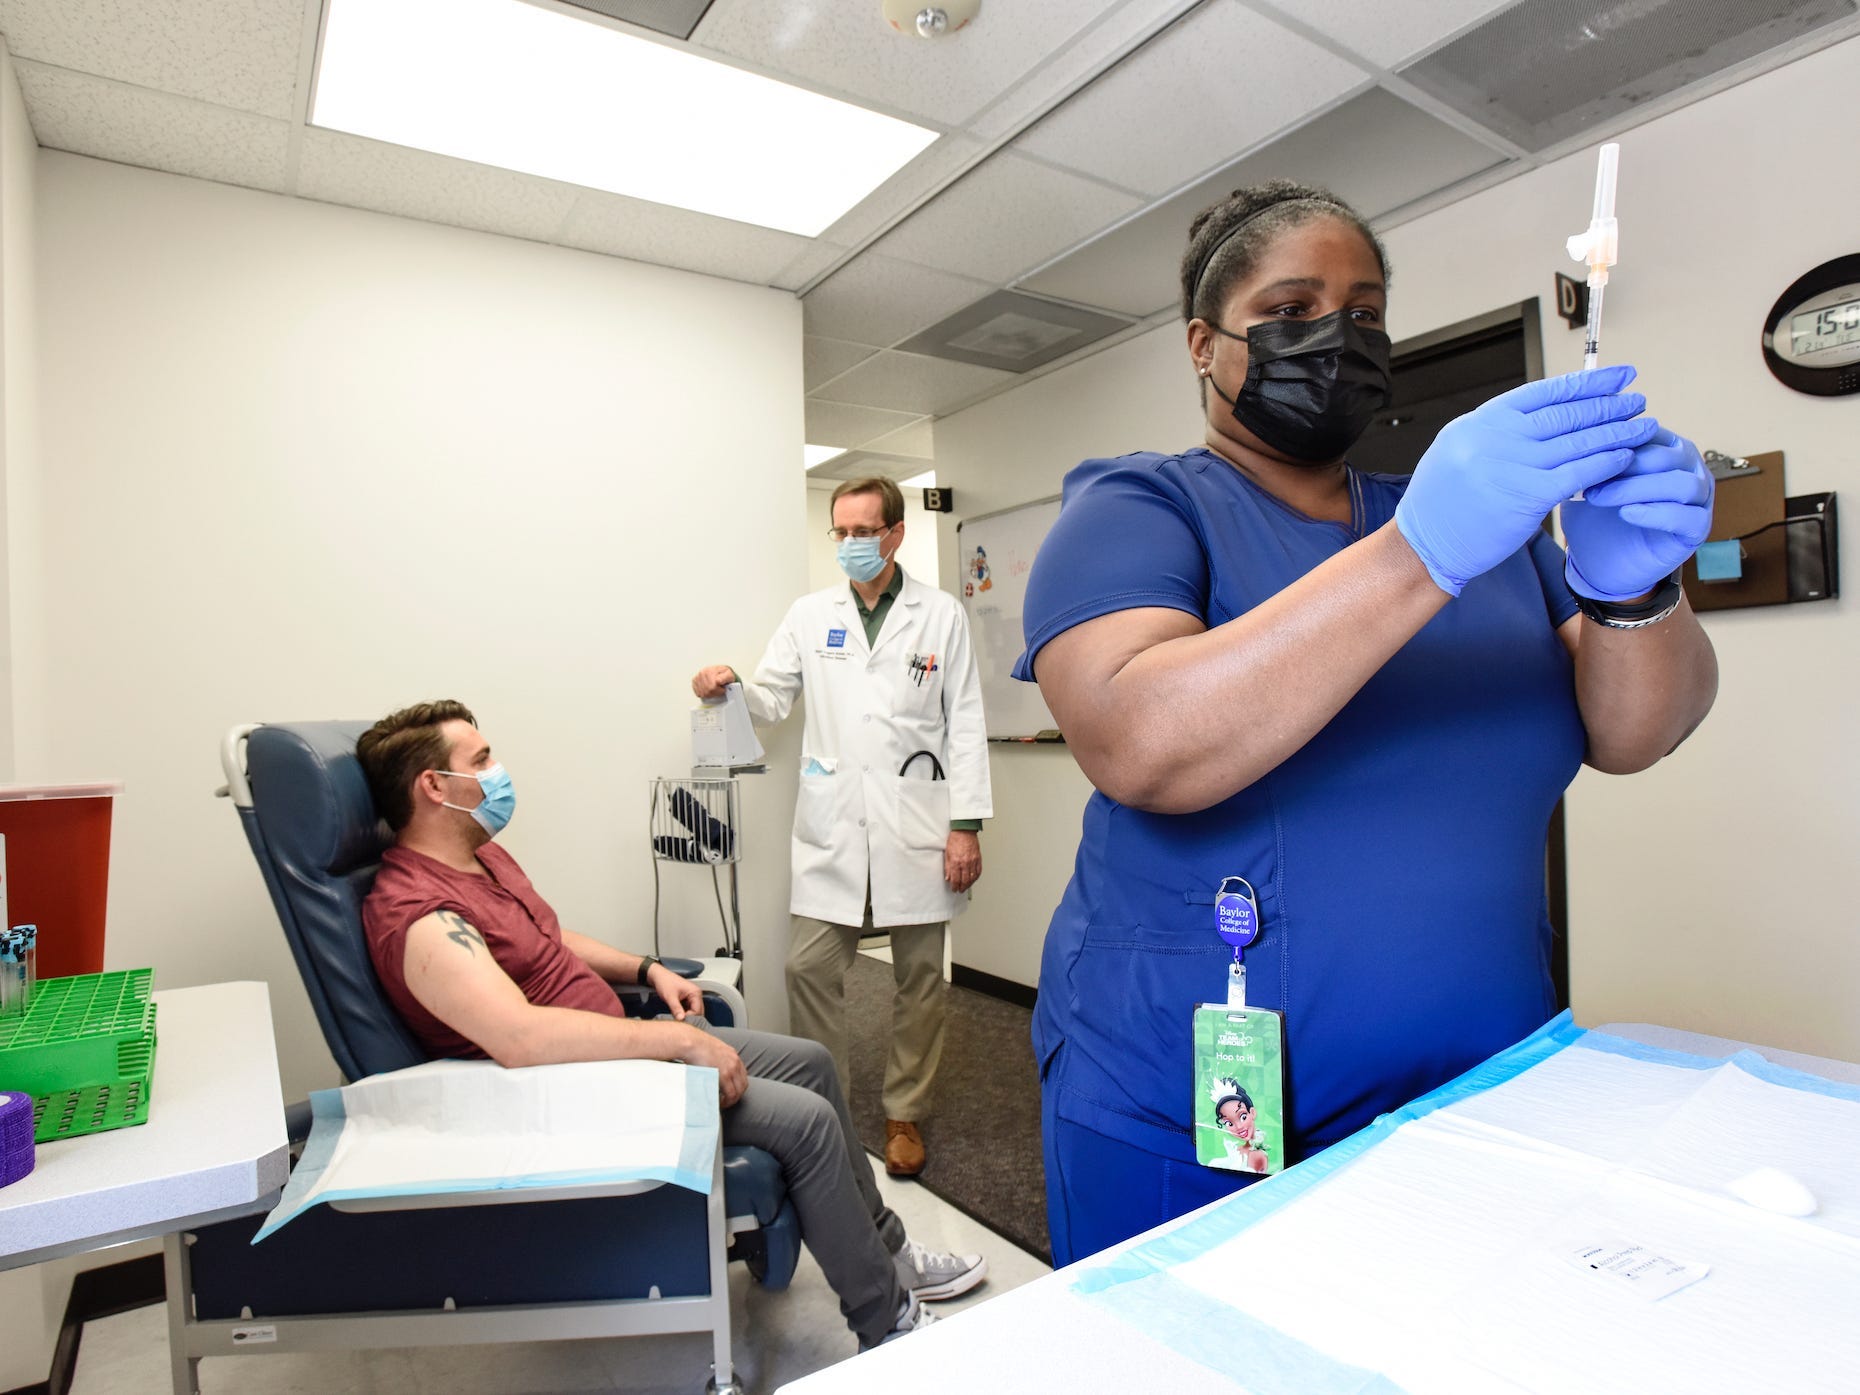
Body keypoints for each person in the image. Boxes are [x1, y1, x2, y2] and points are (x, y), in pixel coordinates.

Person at [1014, 180, 1718, 1266]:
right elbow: (1136, 739)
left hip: (1484, 1086)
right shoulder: (1141, 507)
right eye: (1292, 309)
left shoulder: (1493, 537)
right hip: (1198, 1112)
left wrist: (1637, 589)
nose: (1337, 337)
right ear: (1205, 344)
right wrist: (1419, 555)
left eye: (1367, 312)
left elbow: (1636, 732)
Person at [353, 701, 988, 1351]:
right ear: (432, 785)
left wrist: (647, 967)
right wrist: (680, 1039)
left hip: (612, 1052)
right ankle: (885, 1323)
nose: (498, 772)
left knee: (811, 1062)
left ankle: (890, 1252)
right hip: (562, 1090)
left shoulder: (481, 860)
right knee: (808, 1121)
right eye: (481, 760)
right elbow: (522, 1040)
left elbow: (543, 939)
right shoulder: (419, 916)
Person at [693, 476, 991, 1177]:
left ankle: (904, 1113)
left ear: (895, 533)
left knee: (921, 975)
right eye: (842, 532)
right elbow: (770, 698)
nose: (852, 543)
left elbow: (967, 720)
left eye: (865, 530)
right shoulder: (809, 614)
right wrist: (728, 682)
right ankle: (823, 1104)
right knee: (808, 965)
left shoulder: (940, 614)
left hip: (918, 818)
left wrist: (966, 824)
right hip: (834, 821)